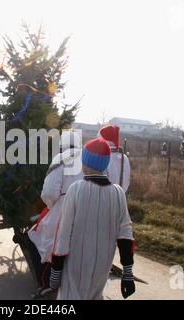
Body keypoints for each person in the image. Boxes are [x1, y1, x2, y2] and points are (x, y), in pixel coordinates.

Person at [49, 137, 136, 300]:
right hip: (101, 270)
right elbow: (126, 236)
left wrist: (56, 271)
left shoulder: (76, 190)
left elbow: (63, 234)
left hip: (75, 268)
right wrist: (128, 274)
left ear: (86, 164)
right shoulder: (118, 194)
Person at [27, 130, 83, 292]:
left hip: (63, 211)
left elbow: (49, 192)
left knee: (36, 238)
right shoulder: (87, 158)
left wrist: (52, 206)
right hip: (87, 211)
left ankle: (46, 282)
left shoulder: (61, 160)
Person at [98, 125, 131, 192]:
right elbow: (127, 180)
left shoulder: (101, 157)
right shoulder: (124, 157)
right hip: (120, 197)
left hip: (103, 197)